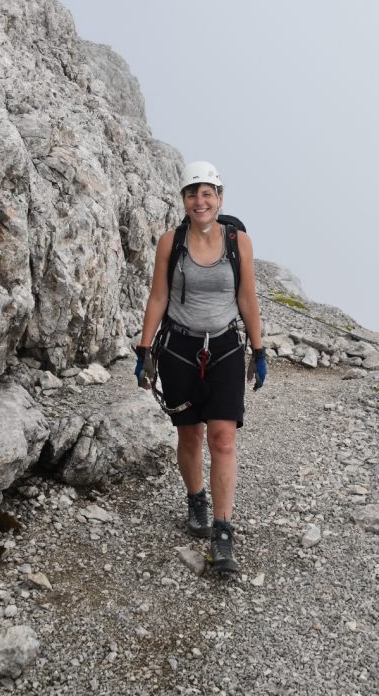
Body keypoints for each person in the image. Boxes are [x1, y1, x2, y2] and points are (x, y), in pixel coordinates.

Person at [135, 161, 266, 575]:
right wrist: (144, 349)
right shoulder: (170, 242)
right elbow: (158, 297)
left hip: (225, 348)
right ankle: (197, 501)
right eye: (193, 193)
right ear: (184, 201)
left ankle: (223, 532)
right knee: (189, 436)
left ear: (220, 198)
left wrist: (259, 351)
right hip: (178, 348)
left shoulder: (237, 241)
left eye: (207, 192)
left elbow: (247, 299)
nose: (200, 200)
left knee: (223, 439)